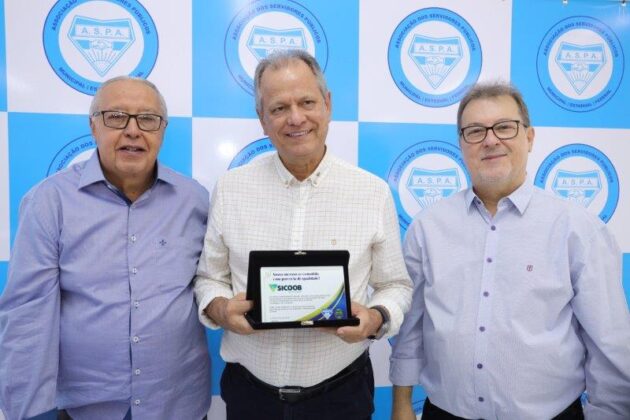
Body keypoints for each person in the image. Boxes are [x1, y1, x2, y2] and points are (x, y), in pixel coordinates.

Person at [390, 81, 630, 419]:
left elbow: (609, 346)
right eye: (475, 131)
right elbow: (411, 329)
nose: (490, 140)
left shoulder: (578, 229)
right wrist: (401, 403)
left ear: (529, 137)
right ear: (461, 144)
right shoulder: (427, 228)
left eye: (504, 127)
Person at [194, 49, 412, 420]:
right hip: (250, 396)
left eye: (307, 102)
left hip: (341, 396)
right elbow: (209, 278)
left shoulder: (372, 192)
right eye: (279, 108)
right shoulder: (231, 189)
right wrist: (221, 310)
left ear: (327, 105)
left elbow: (396, 285)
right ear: (262, 119)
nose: (296, 118)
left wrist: (375, 318)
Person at [0, 76, 211, 420]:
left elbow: (211, 280)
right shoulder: (50, 202)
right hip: (87, 407)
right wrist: (27, 411)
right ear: (93, 126)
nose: (133, 131)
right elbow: (28, 315)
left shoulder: (194, 200)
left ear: (163, 130)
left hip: (178, 403)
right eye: (116, 117)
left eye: (148, 119)